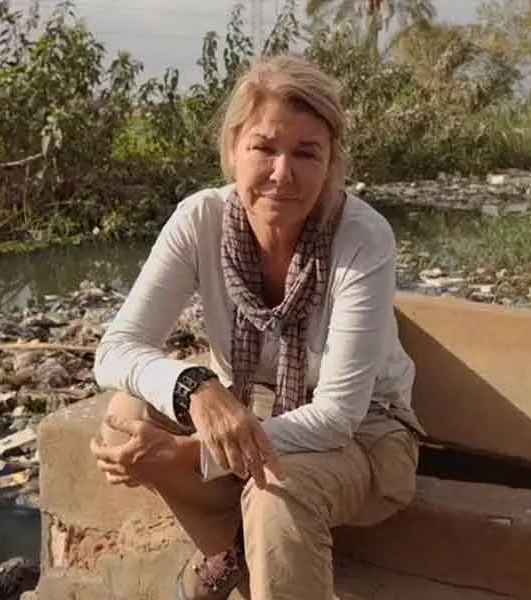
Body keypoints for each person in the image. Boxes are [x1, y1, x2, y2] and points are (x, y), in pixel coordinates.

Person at [89, 54, 426, 600]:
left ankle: (249, 550)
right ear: (232, 151)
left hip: (368, 434)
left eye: (306, 153)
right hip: (263, 409)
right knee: (124, 417)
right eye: (264, 148)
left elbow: (339, 416)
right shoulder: (200, 219)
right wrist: (194, 387)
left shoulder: (362, 236)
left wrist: (190, 453)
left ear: (332, 163)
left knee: (276, 491)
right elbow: (116, 350)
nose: (282, 173)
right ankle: (232, 553)